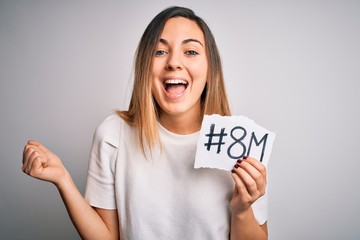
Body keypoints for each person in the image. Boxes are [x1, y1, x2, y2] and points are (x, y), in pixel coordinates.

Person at [22, 6, 268, 240]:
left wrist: (242, 209)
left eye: (191, 51)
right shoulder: (113, 134)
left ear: (210, 68)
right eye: (159, 51)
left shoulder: (240, 144)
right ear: (144, 65)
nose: (173, 62)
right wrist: (63, 179)